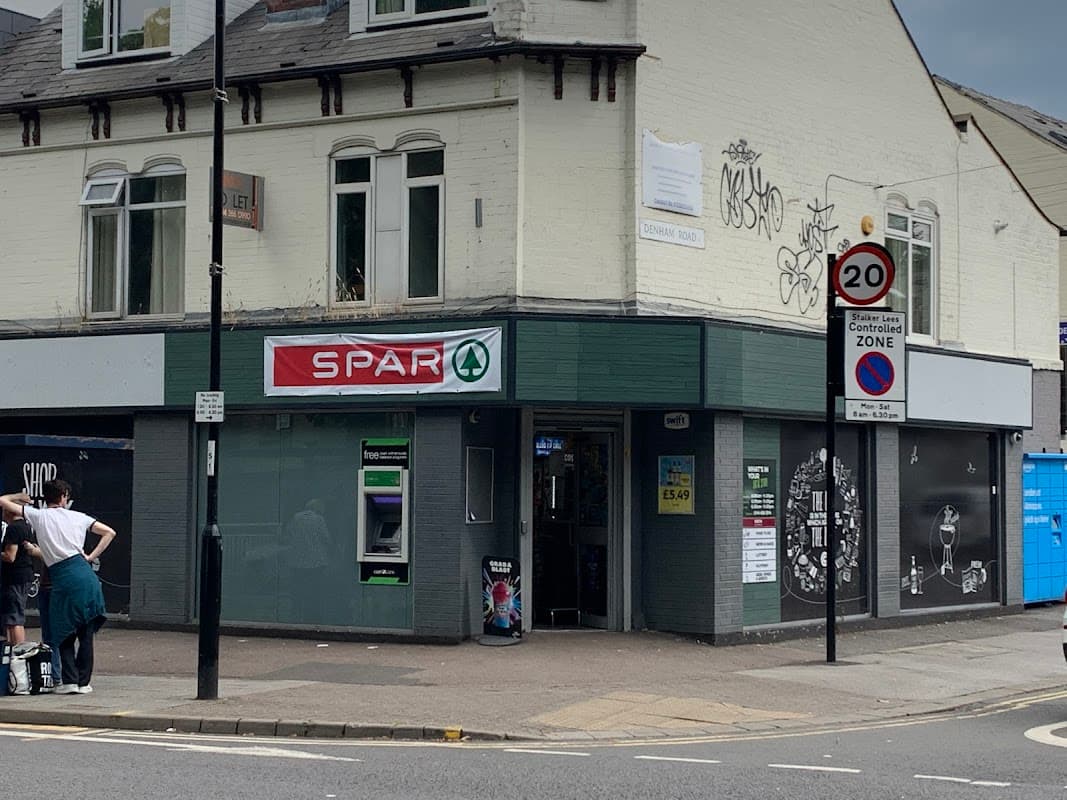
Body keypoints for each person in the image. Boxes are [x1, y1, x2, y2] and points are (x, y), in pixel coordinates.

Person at [0, 480, 115, 695]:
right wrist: (90, 556)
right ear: (64, 496)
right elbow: (109, 532)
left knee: (64, 632)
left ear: (46, 497)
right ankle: (83, 683)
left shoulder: (38, 515)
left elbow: (2, 502)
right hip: (85, 575)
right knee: (86, 633)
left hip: (63, 578)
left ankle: (69, 681)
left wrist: (17, 496)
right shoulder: (79, 517)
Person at [0, 506, 35, 644]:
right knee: (10, 618)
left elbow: (10, 556)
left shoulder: (13, 528)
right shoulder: (26, 526)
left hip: (15, 577)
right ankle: (10, 653)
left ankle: (18, 652)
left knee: (14, 618)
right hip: (20, 576)